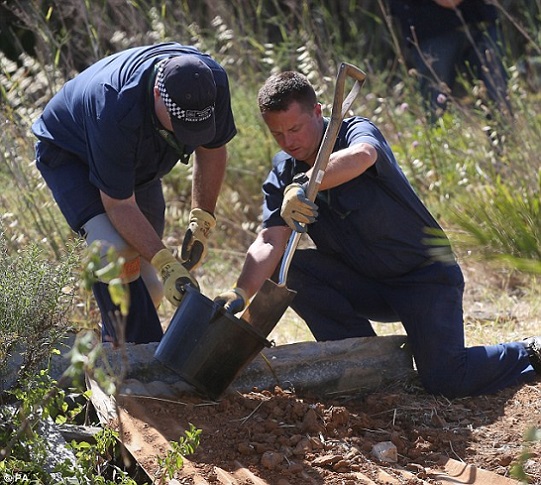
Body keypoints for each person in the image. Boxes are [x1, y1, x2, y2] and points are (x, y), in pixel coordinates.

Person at [215, 71, 540, 398]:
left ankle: (528, 352)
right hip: (365, 284)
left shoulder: (354, 131)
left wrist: (307, 183)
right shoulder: (282, 172)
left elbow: (363, 156)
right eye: (277, 133)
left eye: (295, 128)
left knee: (446, 378)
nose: (288, 142)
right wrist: (241, 292)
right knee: (291, 268)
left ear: (317, 112)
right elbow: (270, 240)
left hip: (424, 280)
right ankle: (363, 362)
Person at [32, 42, 237, 345]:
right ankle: (129, 362)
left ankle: (118, 342)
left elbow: (213, 149)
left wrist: (201, 219)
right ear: (157, 93)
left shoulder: (210, 82)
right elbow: (118, 205)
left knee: (149, 285)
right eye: (180, 126)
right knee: (113, 252)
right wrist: (167, 262)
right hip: (71, 153)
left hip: (134, 157)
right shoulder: (115, 105)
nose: (186, 137)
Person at [387, 0, 511, 122]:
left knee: (500, 101)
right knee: (435, 111)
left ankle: (507, 140)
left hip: (481, 17)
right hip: (428, 24)